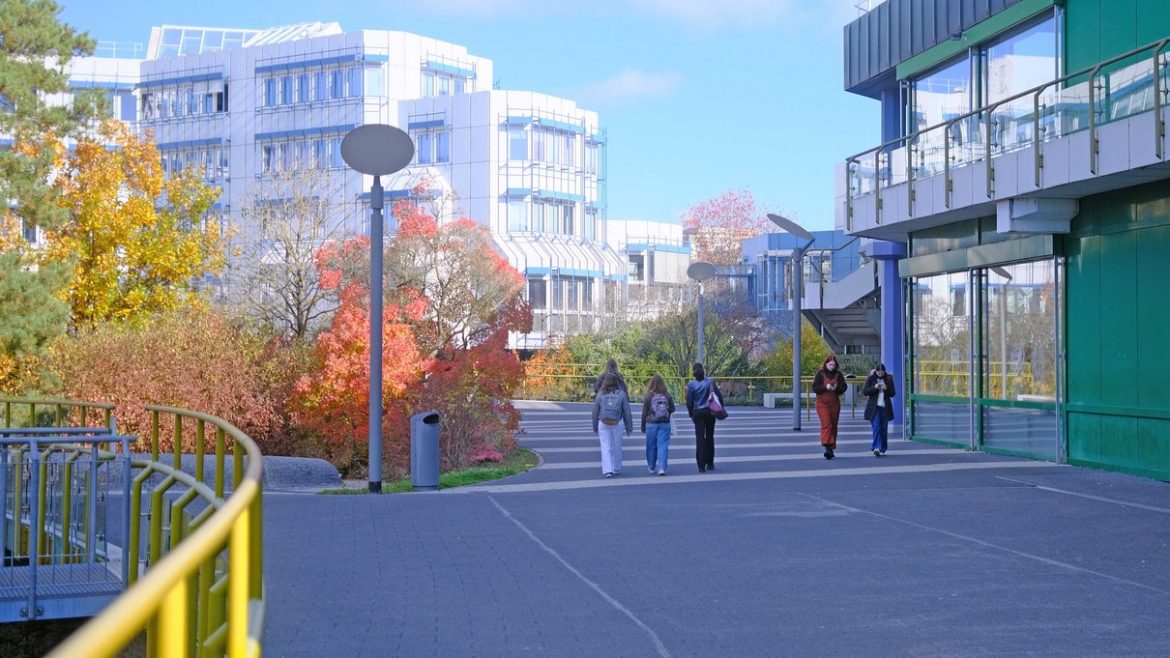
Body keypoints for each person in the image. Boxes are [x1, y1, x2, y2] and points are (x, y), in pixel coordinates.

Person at [591, 371, 632, 478]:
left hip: (603, 423)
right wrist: (629, 427)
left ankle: (607, 470)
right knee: (616, 446)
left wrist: (594, 425)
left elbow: (595, 411)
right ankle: (616, 468)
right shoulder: (621, 394)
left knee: (605, 446)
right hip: (618, 422)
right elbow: (627, 411)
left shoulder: (601, 394)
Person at [685, 362, 722, 473]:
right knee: (710, 436)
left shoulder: (691, 385)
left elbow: (689, 401)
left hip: (698, 412)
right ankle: (710, 463)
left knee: (700, 438)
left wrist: (691, 413)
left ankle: (701, 466)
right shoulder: (710, 381)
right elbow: (719, 396)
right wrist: (720, 409)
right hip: (710, 411)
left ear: (694, 372)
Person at [811, 354, 847, 460]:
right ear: (826, 364)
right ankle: (827, 446)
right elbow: (815, 388)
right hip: (822, 402)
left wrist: (836, 388)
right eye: (830, 365)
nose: (832, 367)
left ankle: (831, 447)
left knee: (833, 425)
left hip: (834, 402)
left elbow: (844, 387)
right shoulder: (820, 373)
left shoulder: (838, 374)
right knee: (827, 424)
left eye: (833, 365)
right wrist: (825, 387)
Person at [640, 375, 676, 476]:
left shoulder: (648, 396)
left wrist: (642, 425)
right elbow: (673, 409)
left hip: (651, 424)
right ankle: (662, 468)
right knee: (663, 446)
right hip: (665, 423)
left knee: (651, 446)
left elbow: (644, 412)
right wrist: (665, 412)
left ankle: (651, 467)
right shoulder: (667, 395)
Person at [862, 363, 896, 457]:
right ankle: (876, 447)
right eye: (878, 372)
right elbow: (865, 391)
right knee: (876, 426)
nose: (880, 374)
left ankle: (883, 448)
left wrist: (886, 388)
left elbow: (893, 393)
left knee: (884, 428)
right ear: (876, 371)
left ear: (884, 371)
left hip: (885, 407)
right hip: (874, 407)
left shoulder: (888, 379)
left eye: (882, 372)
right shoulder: (871, 378)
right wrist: (875, 387)